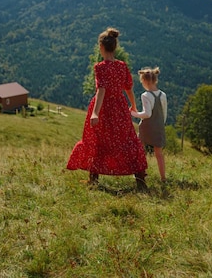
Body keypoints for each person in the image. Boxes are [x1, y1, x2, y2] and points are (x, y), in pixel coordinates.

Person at [67, 27, 148, 190]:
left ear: (101, 47)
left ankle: (94, 179)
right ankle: (140, 179)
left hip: (104, 108)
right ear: (115, 47)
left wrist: (95, 112)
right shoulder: (122, 66)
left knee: (97, 140)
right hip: (120, 107)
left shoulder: (100, 67)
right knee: (127, 140)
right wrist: (133, 105)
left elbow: (101, 90)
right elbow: (129, 88)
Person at [131, 67, 168, 182]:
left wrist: (134, 114)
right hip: (159, 126)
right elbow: (164, 112)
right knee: (159, 154)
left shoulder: (145, 95)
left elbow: (147, 114)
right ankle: (163, 178)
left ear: (145, 81)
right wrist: (161, 125)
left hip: (146, 128)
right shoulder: (163, 95)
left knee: (140, 150)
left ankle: (141, 174)